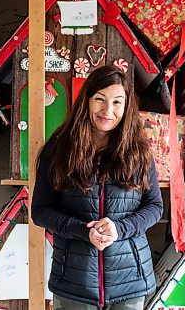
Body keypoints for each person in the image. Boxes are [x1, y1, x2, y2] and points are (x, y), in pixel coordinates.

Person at [31, 65, 163, 309]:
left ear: (126, 107)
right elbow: (40, 210)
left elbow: (154, 206)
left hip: (130, 281)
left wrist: (119, 229)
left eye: (117, 102)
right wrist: (83, 231)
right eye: (100, 99)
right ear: (87, 101)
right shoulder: (59, 149)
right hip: (74, 281)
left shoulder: (138, 152)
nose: (108, 111)